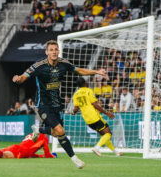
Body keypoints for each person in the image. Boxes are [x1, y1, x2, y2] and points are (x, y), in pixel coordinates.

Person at [12, 40, 106, 169]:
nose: (54, 52)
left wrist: (96, 72)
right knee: (60, 131)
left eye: (56, 49)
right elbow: (24, 76)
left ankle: (38, 129)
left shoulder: (64, 64)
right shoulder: (39, 66)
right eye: (51, 50)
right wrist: (18, 79)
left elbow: (79, 71)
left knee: (57, 133)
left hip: (57, 103)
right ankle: (75, 159)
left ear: (58, 51)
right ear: (47, 52)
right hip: (43, 104)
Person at [72, 77, 123, 156]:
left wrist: (73, 112)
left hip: (87, 120)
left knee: (104, 135)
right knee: (108, 134)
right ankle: (97, 148)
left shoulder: (76, 94)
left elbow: (75, 108)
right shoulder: (89, 91)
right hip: (94, 117)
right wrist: (107, 113)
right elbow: (95, 104)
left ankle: (116, 152)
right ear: (85, 83)